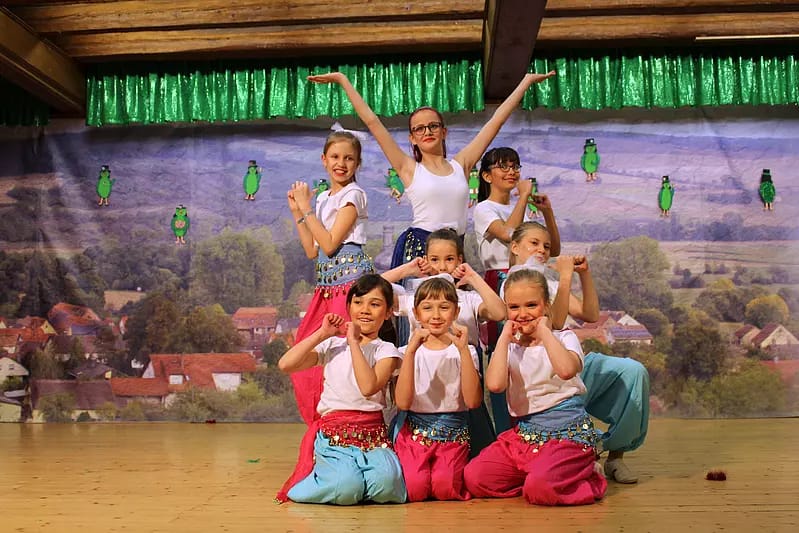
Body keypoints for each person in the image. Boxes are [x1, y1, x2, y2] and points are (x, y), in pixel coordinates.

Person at [306, 70, 556, 268]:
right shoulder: (408, 168)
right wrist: (343, 80)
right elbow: (372, 121)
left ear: (443, 131)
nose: (427, 131)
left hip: (454, 248)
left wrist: (525, 83)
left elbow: (496, 121)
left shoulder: (461, 164)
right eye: (419, 128)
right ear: (412, 138)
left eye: (433, 126)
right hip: (421, 250)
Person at [507, 222, 649, 484]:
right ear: (515, 247)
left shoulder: (548, 283)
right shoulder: (511, 284)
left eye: (546, 246)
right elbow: (557, 322)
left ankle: (615, 455)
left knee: (632, 371)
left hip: (569, 364)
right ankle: (585, 453)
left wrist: (584, 274)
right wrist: (565, 277)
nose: (542, 250)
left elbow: (590, 315)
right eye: (534, 243)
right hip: (542, 376)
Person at [464, 268, 607, 505]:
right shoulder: (509, 347)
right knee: (475, 477)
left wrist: (545, 332)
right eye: (514, 307)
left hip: (566, 435)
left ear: (546, 306)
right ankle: (543, 474)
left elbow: (566, 370)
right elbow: (495, 385)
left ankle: (586, 473)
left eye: (531, 305)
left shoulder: (564, 337)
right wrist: (504, 338)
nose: (522, 314)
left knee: (541, 490)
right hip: (526, 435)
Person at [276, 274, 406, 505]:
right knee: (345, 488)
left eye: (375, 304)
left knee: (387, 488)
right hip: (334, 437)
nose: (365, 310)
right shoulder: (333, 345)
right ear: (348, 307)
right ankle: (337, 481)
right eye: (358, 302)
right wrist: (322, 333)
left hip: (373, 437)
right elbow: (286, 364)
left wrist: (354, 342)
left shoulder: (386, 350)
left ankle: (356, 481)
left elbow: (368, 387)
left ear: (388, 313)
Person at [382, 228, 506, 455]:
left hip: (461, 390)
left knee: (472, 456)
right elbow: (372, 288)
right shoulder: (414, 299)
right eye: (434, 259)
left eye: (449, 259)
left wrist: (473, 277)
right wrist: (407, 269)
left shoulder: (468, 299)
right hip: (423, 392)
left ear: (460, 260)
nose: (441, 267)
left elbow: (499, 312)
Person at [287, 131, 375, 426]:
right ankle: (322, 424)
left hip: (350, 289)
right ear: (324, 160)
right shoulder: (325, 198)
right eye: (335, 157)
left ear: (357, 163)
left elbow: (329, 244)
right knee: (307, 351)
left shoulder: (353, 195)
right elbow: (312, 250)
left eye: (349, 158)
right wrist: (298, 213)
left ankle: (347, 423)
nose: (341, 163)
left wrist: (307, 208)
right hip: (326, 289)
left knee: (344, 355)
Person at [393, 277, 482, 501]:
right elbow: (402, 403)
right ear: (416, 313)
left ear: (456, 311)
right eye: (427, 308)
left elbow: (473, 402)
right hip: (415, 434)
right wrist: (411, 352)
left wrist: (463, 351)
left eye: (444, 307)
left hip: (453, 431)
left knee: (445, 487)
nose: (436, 315)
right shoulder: (406, 352)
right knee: (415, 488)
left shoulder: (466, 351)